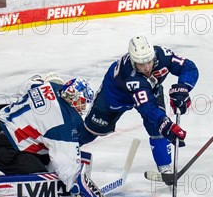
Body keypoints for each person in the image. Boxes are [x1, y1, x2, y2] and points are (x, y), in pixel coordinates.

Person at [0, 74, 107, 197]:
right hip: (4, 149)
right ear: (73, 98)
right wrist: (83, 191)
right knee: (44, 181)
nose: (82, 108)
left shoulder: (51, 86)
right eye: (81, 102)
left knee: (47, 154)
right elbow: (67, 170)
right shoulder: (63, 121)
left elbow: (29, 84)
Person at [79, 35, 198, 175]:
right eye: (141, 64)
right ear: (133, 61)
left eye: (149, 61)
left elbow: (189, 68)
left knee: (156, 126)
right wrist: (166, 123)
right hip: (114, 96)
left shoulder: (163, 55)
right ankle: (62, 148)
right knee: (92, 130)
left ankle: (165, 168)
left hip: (149, 88)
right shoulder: (130, 75)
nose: (147, 67)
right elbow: (147, 107)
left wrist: (182, 89)